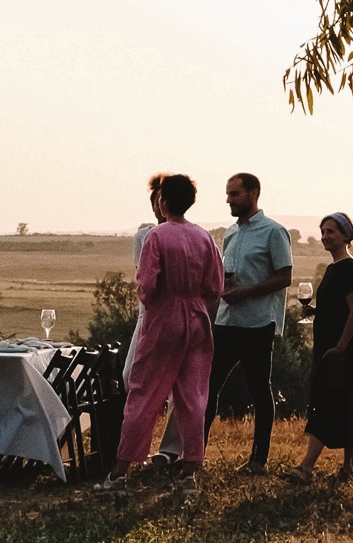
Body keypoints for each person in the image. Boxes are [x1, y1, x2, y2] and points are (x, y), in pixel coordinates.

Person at [96, 174, 224, 494]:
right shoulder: (204, 237)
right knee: (193, 396)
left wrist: (156, 303)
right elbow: (215, 287)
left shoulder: (156, 236)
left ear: (163, 201)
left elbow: (147, 286)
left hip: (164, 318)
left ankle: (120, 472)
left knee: (143, 393)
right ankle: (189, 472)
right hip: (197, 319)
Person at [204, 172, 293, 474]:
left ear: (253, 193)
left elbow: (285, 277)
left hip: (257, 324)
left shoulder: (274, 232)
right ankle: (194, 456)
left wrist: (247, 292)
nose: (229, 199)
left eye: (235, 194)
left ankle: (258, 460)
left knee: (258, 389)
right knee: (209, 386)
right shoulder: (230, 233)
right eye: (228, 194)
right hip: (226, 321)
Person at [286, 212, 353, 484]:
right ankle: (349, 468)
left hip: (340, 352)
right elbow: (337, 309)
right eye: (323, 231)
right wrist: (316, 311)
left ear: (345, 235)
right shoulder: (333, 268)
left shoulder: (349, 268)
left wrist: (341, 347)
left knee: (327, 405)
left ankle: (306, 467)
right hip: (329, 350)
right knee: (344, 405)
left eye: (331, 231)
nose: (325, 236)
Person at [124, 173, 184, 466]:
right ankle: (137, 445)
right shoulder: (144, 235)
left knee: (180, 385)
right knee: (129, 377)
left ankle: (170, 449)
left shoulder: (189, 235)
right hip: (147, 315)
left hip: (173, 314)